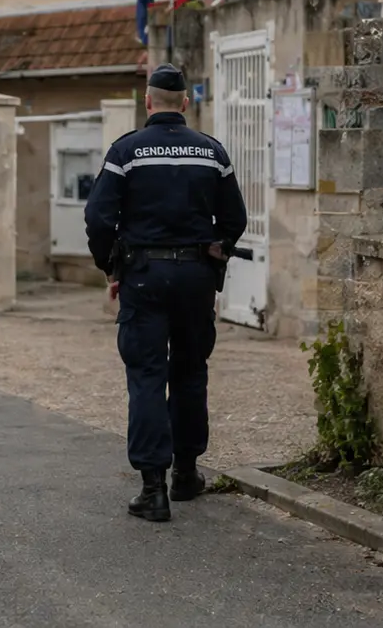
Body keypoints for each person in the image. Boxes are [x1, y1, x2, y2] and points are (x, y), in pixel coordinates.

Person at [83, 63, 248, 522]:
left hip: (143, 276)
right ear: (186, 103)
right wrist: (216, 259)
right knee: (191, 372)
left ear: (148, 101)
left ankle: (152, 489)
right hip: (196, 277)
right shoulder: (212, 154)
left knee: (148, 376)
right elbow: (235, 220)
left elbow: (98, 218)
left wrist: (110, 266)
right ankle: (187, 473)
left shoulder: (126, 152)